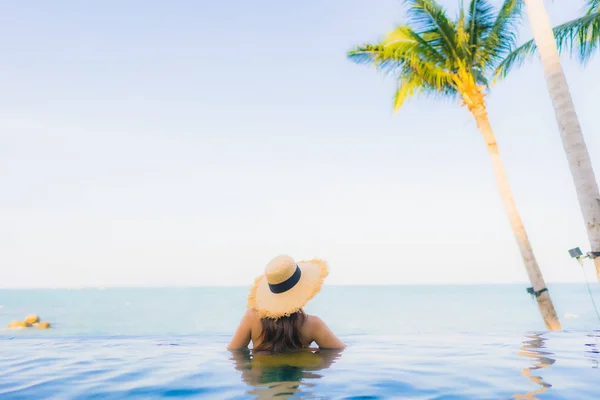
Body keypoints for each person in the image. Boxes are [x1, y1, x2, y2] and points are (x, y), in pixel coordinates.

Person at [227, 255, 345, 352]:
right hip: (295, 378)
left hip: (260, 378)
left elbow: (234, 351)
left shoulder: (251, 317)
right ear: (303, 290)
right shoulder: (312, 324)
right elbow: (338, 350)